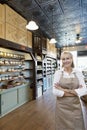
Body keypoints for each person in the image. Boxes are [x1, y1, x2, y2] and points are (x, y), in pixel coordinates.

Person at [53, 51, 87, 130]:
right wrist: (75, 92)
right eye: (63, 59)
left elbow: (84, 90)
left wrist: (63, 89)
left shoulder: (78, 72)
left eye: (67, 58)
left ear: (71, 59)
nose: (66, 61)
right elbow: (55, 91)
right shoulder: (58, 73)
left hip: (75, 106)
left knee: (77, 125)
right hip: (62, 106)